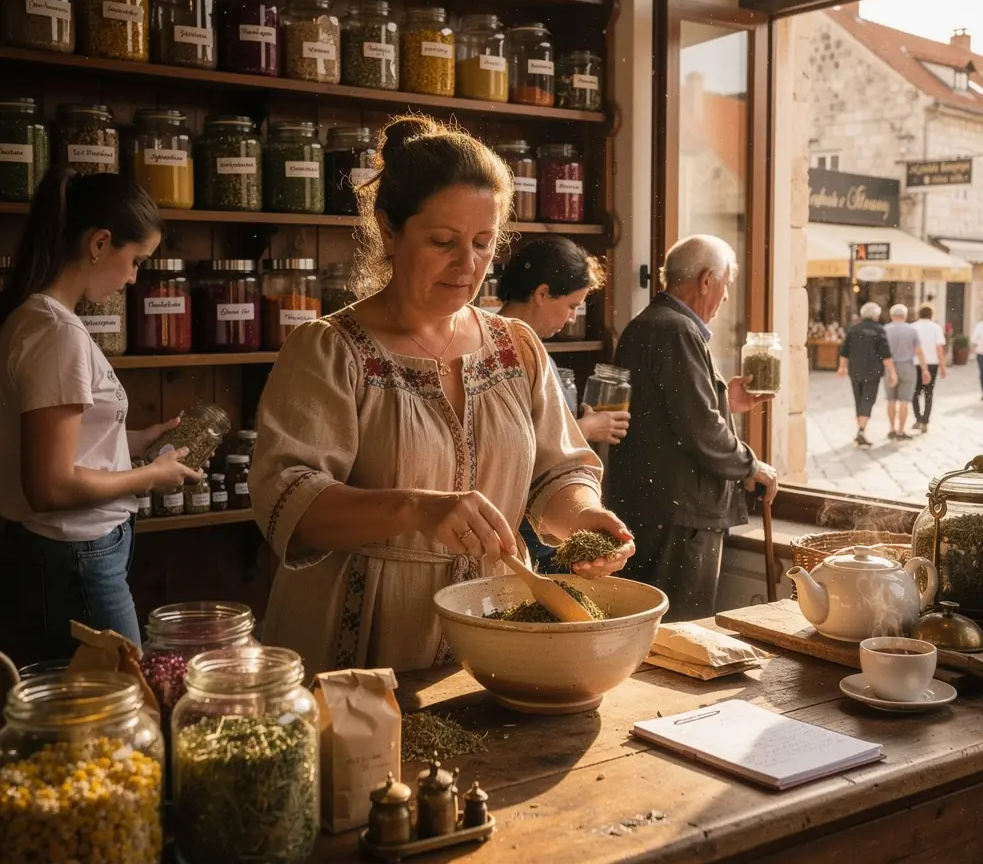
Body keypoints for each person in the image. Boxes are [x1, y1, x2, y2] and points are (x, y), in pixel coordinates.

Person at [249, 115, 634, 677]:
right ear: (388, 229)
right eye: (443, 242)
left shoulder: (516, 346)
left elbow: (556, 473)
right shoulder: (330, 350)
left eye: (483, 244)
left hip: (493, 631)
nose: (468, 265)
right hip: (359, 640)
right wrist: (416, 509)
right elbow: (289, 501)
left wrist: (583, 517)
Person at [0, 169, 200, 661]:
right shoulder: (55, 332)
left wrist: (132, 439)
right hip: (75, 557)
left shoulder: (37, 317)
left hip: (71, 553)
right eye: (135, 261)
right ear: (99, 243)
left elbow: (61, 440)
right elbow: (49, 486)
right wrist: (149, 477)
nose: (134, 277)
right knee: (121, 705)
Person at [607, 235, 777, 621]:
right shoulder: (676, 330)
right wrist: (752, 466)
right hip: (678, 515)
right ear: (705, 280)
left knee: (646, 625)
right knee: (679, 631)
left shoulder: (649, 324)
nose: (726, 296)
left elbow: (669, 414)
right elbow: (700, 430)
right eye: (726, 283)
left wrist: (725, 401)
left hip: (655, 509)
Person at [498, 236, 630, 572]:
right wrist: (586, 428)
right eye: (572, 305)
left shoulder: (538, 354)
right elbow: (511, 443)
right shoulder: (499, 353)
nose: (573, 318)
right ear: (542, 294)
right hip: (518, 531)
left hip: (550, 525)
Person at [837, 302, 898, 447]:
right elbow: (886, 354)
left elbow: (844, 351)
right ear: (875, 315)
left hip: (855, 370)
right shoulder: (879, 330)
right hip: (872, 371)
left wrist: (842, 367)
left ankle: (860, 429)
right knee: (868, 399)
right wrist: (892, 372)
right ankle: (861, 430)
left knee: (858, 399)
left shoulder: (854, 329)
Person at [882, 305, 930, 441]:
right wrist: (925, 370)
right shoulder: (911, 330)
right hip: (908, 367)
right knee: (904, 401)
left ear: (891, 316)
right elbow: (919, 352)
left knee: (890, 400)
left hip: (890, 367)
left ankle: (892, 429)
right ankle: (901, 430)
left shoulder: (885, 330)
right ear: (905, 316)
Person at [911, 306, 947, 434]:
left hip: (915, 363)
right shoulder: (936, 328)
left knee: (914, 393)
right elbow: (939, 349)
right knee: (929, 392)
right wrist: (943, 367)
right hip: (932, 363)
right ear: (931, 314)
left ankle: (918, 417)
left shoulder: (912, 327)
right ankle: (925, 420)